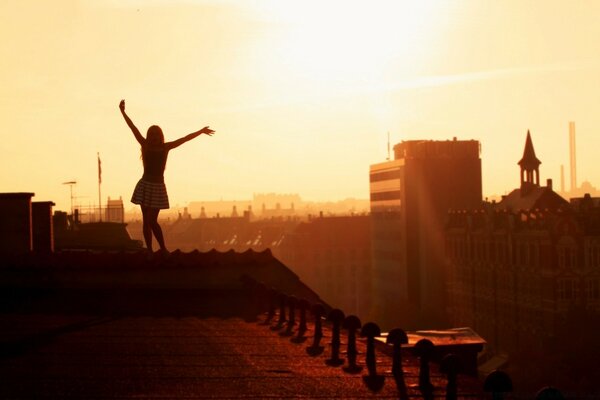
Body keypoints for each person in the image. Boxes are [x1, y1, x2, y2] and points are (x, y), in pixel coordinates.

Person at [119, 99, 214, 254]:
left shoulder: (165, 147)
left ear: (160, 136)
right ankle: (150, 250)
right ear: (149, 136)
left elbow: (184, 139)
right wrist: (123, 112)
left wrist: (200, 132)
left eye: (157, 134)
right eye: (152, 134)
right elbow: (133, 128)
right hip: (145, 185)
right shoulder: (145, 144)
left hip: (157, 187)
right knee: (146, 221)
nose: (155, 136)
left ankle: (162, 248)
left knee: (151, 221)